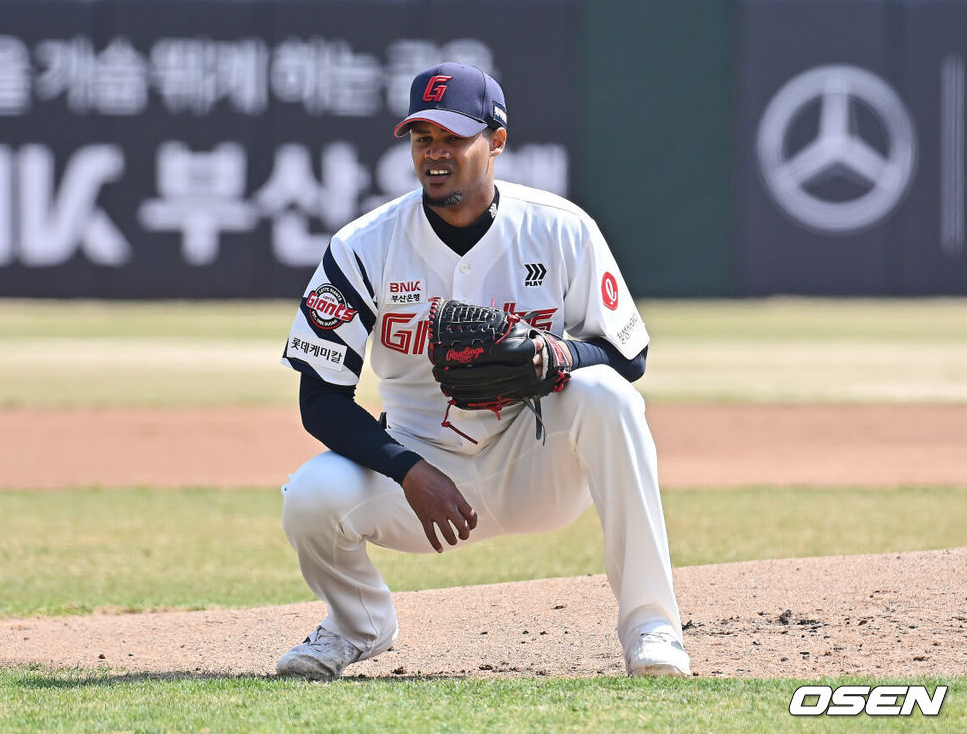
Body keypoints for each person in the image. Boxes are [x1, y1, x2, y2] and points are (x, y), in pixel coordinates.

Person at [276, 62, 690, 680]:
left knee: (608, 395)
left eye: (453, 137)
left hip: (537, 460)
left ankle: (652, 628)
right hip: (418, 466)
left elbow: (629, 355)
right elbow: (320, 400)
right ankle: (357, 624)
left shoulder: (559, 229)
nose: (435, 153)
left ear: (496, 141)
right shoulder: (364, 246)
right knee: (310, 497)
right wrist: (408, 469)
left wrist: (561, 356)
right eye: (423, 138)